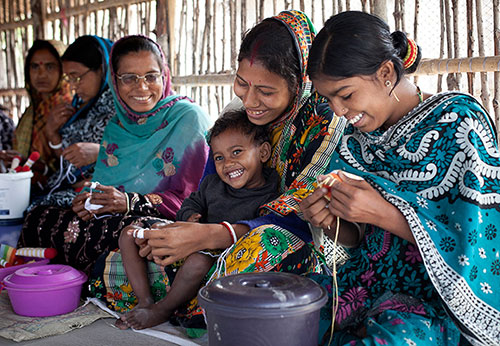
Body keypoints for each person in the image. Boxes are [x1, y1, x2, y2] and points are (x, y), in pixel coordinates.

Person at [89, 10, 346, 331]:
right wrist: (186, 228)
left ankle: (183, 300)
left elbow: (297, 219)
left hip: (281, 243)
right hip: (211, 239)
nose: (250, 101)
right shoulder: (237, 116)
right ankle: (175, 296)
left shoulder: (324, 125)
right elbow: (207, 186)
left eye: (265, 91)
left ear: (299, 83)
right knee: (125, 255)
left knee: (262, 245)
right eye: (242, 83)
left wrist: (211, 234)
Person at [299, 11, 500, 345]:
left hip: (434, 304)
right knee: (284, 314)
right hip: (363, 286)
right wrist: (332, 220)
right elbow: (362, 240)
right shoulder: (355, 142)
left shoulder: (459, 123)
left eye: (346, 95)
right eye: (328, 99)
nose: (338, 111)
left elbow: (480, 246)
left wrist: (381, 212)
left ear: (387, 73)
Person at [18, 35, 211, 276]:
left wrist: (129, 201)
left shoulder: (187, 118)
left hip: (166, 219)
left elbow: (198, 200)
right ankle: (71, 278)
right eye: (129, 78)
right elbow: (106, 186)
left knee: (132, 231)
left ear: (164, 76)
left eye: (151, 76)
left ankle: (94, 278)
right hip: (117, 215)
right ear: (115, 82)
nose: (141, 88)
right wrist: (90, 199)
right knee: (39, 216)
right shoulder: (117, 126)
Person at [116, 109, 279, 330]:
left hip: (213, 252)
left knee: (197, 263)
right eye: (219, 157)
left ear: (264, 152)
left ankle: (162, 309)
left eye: (237, 152)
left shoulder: (271, 195)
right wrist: (188, 218)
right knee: (129, 233)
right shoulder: (212, 184)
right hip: (184, 235)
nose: (228, 163)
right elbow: (190, 203)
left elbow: (261, 232)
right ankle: (144, 300)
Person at [31, 35, 115, 208]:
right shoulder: (80, 107)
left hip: (106, 193)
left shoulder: (122, 108)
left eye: (77, 77)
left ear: (101, 69)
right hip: (73, 188)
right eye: (68, 78)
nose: (73, 86)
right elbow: (70, 161)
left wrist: (101, 152)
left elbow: (141, 155)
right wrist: (52, 134)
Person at [0, 40, 72, 187]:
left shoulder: (67, 108)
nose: (41, 74)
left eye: (50, 67)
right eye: (34, 67)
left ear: (63, 70)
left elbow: (70, 165)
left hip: (56, 188)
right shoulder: (32, 111)